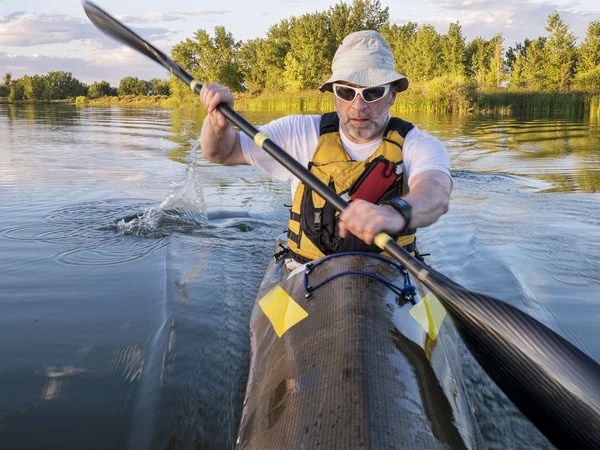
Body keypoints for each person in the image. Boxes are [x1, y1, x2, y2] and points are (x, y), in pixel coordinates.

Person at [199, 30, 452, 264]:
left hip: (389, 277)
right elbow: (222, 152)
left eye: (372, 93)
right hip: (306, 273)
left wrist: (394, 213)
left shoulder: (417, 144)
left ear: (393, 94)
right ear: (333, 92)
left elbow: (436, 193)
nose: (358, 106)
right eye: (345, 91)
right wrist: (216, 121)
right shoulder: (298, 132)